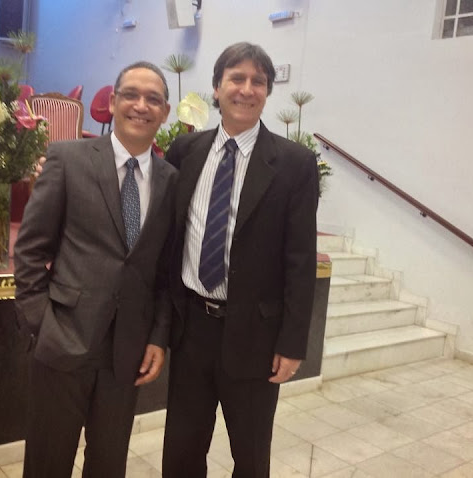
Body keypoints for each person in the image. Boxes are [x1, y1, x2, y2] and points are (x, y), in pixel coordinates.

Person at [161, 42, 319, 478]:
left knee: (250, 457)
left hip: (256, 336)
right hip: (191, 328)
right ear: (216, 88)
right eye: (236, 78)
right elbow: (169, 240)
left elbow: (300, 259)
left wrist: (292, 342)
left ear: (267, 92)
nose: (246, 89)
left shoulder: (294, 164)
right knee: (181, 452)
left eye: (258, 81)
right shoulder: (184, 152)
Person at [13, 61, 176, 478]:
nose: (141, 106)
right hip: (64, 338)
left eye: (153, 99)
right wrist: (41, 323)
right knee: (47, 464)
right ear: (113, 102)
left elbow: (164, 270)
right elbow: (30, 249)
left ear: (165, 112)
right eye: (131, 95)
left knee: (108, 465)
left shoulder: (171, 180)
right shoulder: (68, 158)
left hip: (127, 352)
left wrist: (157, 336)